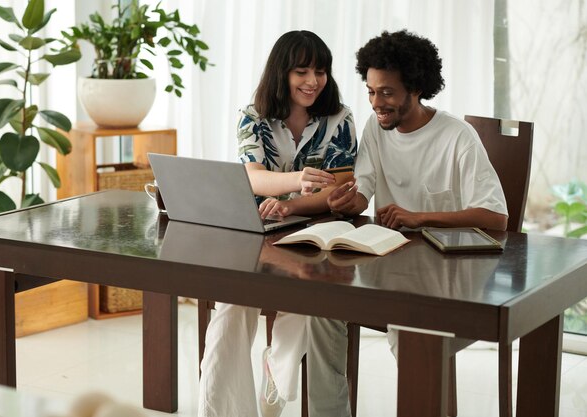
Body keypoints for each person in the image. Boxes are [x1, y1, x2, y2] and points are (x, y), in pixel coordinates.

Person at [198, 30, 357, 417]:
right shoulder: (252, 117)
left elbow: (339, 184)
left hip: (313, 235)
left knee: (305, 300)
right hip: (257, 234)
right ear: (281, 73)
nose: (312, 81)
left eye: (320, 71)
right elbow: (251, 177)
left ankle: (276, 386)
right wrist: (296, 181)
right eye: (301, 71)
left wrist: (292, 205)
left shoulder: (340, 118)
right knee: (231, 309)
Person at [326, 29, 508, 360]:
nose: (376, 103)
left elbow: (495, 217)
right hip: (390, 269)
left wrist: (419, 217)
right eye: (370, 92)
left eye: (386, 92)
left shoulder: (457, 137)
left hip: (448, 280)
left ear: (416, 88)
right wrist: (347, 200)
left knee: (409, 328)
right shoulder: (374, 129)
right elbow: (363, 188)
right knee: (320, 307)